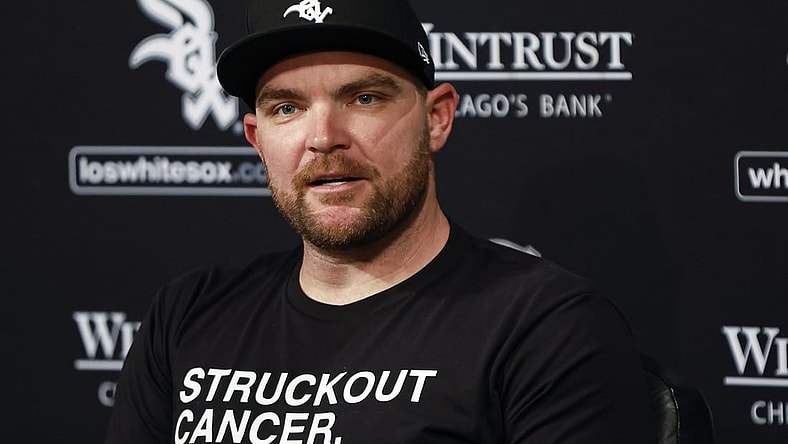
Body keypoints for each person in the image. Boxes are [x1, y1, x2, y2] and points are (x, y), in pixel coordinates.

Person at [105, 0, 655, 442]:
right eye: (287, 108)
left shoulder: (546, 327)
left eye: (364, 98)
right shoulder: (187, 315)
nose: (323, 138)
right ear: (257, 137)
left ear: (436, 118)